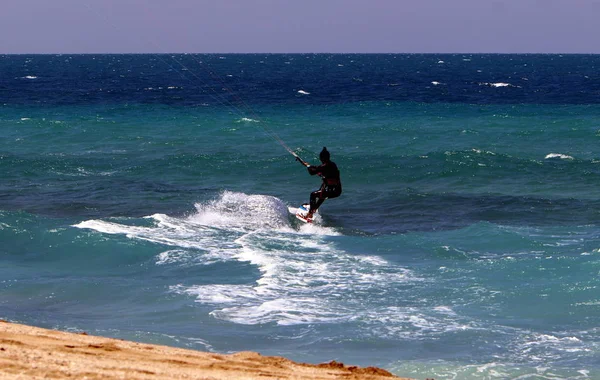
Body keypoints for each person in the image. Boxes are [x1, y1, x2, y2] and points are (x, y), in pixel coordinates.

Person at [296, 147, 342, 220]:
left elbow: (312, 172)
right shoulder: (332, 164)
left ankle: (310, 214)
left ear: (321, 158)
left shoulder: (324, 166)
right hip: (336, 189)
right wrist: (305, 163)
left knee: (313, 195)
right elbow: (316, 168)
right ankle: (313, 209)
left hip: (333, 191)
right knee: (321, 194)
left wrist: (308, 166)